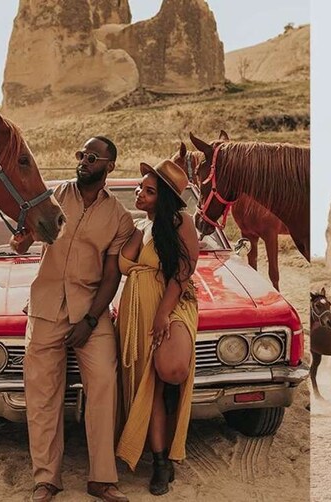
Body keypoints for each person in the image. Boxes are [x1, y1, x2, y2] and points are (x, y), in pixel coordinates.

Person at [12, 136, 135, 502]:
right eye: (81, 154)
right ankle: (46, 479)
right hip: (45, 307)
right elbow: (26, 238)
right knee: (42, 395)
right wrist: (21, 242)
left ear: (109, 166)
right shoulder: (51, 198)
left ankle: (101, 479)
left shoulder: (120, 218)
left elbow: (112, 274)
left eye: (93, 157)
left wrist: (92, 321)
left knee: (103, 390)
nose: (83, 161)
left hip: (90, 314)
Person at [114, 159, 200, 496]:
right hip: (137, 310)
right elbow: (122, 264)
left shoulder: (182, 222)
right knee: (147, 385)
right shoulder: (141, 228)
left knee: (172, 370)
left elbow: (182, 273)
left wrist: (164, 314)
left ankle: (172, 425)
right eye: (140, 187)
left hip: (171, 305)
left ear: (163, 198)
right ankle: (160, 463)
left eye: (149, 191)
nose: (139, 193)